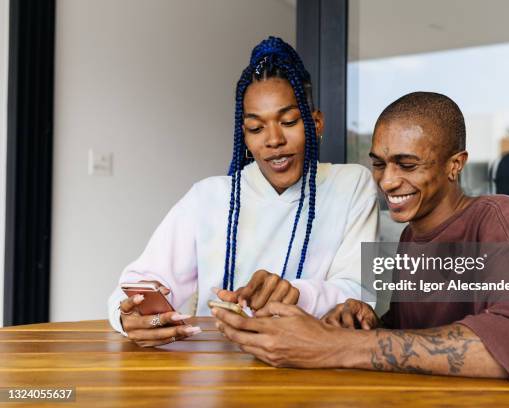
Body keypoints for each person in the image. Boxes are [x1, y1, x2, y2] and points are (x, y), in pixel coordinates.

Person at [212, 92, 509, 386]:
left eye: (407, 165)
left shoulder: (501, 217)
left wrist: (332, 345)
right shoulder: (412, 238)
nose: (388, 181)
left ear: (454, 164)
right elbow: (425, 336)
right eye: (379, 163)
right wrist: (371, 322)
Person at [108, 37, 378, 347]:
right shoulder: (208, 197)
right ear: (244, 138)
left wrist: (296, 293)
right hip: (217, 370)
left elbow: (361, 294)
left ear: (316, 123)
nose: (273, 139)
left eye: (288, 121)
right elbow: (138, 284)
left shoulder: (353, 184)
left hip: (313, 365)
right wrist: (128, 315)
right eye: (256, 127)